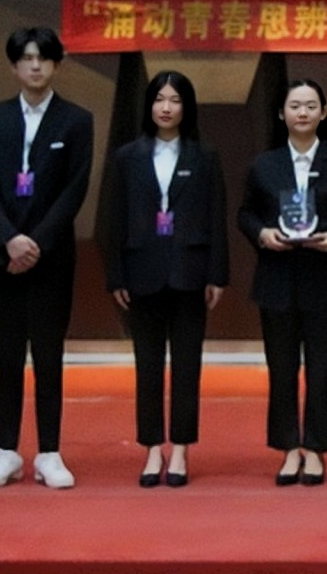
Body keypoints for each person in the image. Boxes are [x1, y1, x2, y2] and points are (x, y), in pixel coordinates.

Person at [0, 26, 93, 489]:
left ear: (57, 64)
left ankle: (49, 453)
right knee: (5, 355)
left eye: (43, 57)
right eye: (26, 57)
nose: (35, 65)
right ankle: (6, 451)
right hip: (0, 257)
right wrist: (10, 239)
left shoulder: (76, 120)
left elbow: (74, 190)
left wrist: (35, 242)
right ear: (13, 66)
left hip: (51, 257)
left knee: (47, 355)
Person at [238, 79, 327, 487]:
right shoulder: (264, 165)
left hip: (325, 277)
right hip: (277, 277)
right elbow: (245, 214)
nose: (303, 113)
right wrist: (262, 234)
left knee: (322, 368)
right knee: (282, 367)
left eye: (311, 106)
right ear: (282, 114)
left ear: (323, 113)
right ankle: (289, 447)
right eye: (295, 106)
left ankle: (316, 448)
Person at [105, 71, 227, 487]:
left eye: (175, 100)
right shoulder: (127, 156)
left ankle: (181, 449)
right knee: (148, 365)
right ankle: (152, 448)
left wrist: (217, 274)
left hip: (190, 272)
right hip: (141, 271)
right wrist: (115, 274)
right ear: (149, 106)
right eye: (160, 99)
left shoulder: (204, 156)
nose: (167, 107)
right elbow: (114, 218)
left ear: (186, 107)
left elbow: (216, 216)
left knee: (187, 366)